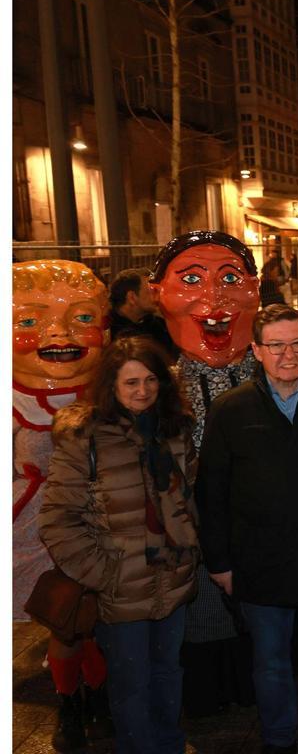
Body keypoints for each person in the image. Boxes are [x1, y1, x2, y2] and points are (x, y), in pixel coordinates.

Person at [197, 304, 298, 754]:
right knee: (270, 661)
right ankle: (278, 737)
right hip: (257, 560)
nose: (288, 354)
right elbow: (212, 491)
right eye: (277, 345)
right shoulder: (231, 409)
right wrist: (219, 562)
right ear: (257, 351)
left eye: (297, 343)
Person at [39, 336, 200, 754]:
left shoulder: (176, 430)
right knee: (131, 686)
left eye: (150, 380)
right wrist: (103, 573)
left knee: (169, 676)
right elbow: (57, 521)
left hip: (175, 579)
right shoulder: (85, 439)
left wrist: (191, 544)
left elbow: (190, 496)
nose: (142, 391)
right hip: (119, 590)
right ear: (110, 385)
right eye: (131, 383)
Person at [151, 230, 260, 719]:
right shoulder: (154, 387)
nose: (213, 300)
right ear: (159, 295)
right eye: (190, 280)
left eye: (231, 279)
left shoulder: (279, 377)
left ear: (255, 290)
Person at [14, 260, 113, 749]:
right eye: (29, 321)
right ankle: (74, 701)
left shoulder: (117, 389)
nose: (57, 333)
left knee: (97, 621)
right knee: (69, 621)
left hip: (107, 528)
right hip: (42, 533)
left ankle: (95, 695)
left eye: (80, 318)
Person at [108, 268, 177, 359]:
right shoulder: (108, 334)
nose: (158, 297)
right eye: (153, 292)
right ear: (132, 297)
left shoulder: (160, 326)